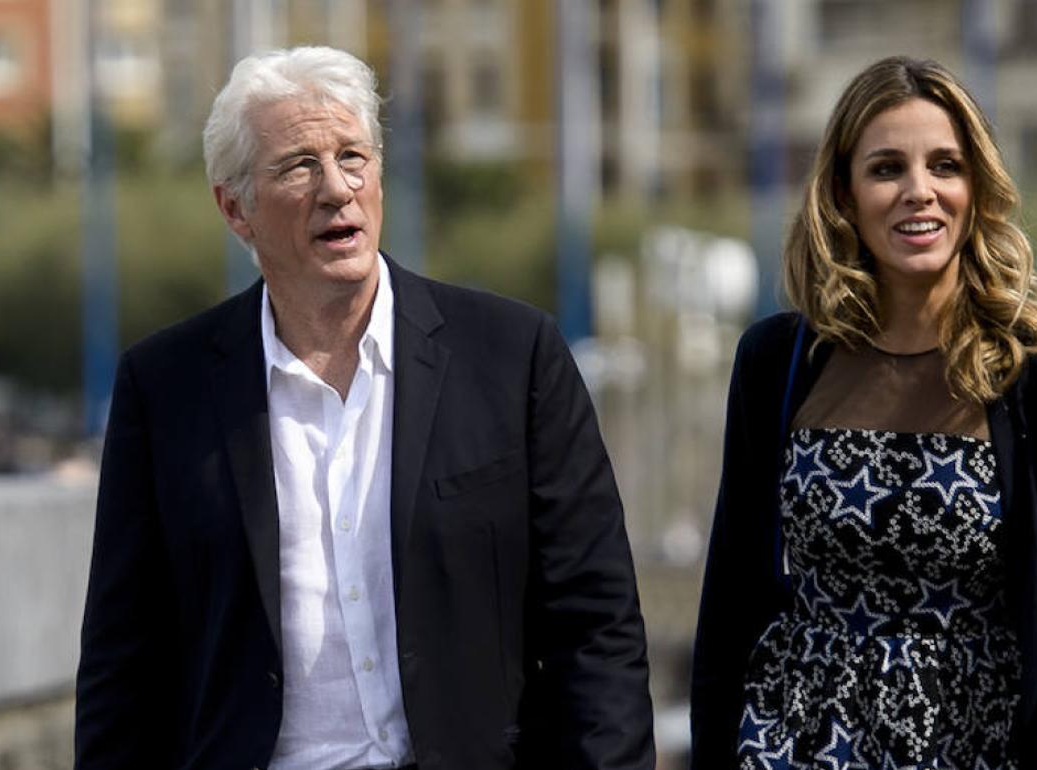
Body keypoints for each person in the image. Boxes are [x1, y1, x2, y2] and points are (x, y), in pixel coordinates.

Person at [75, 46, 654, 770]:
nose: (336, 189)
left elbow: (595, 626)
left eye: (353, 156)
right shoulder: (164, 388)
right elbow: (123, 663)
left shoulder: (513, 357)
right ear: (235, 209)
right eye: (297, 166)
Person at [691, 56, 1037, 770]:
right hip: (793, 742)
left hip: (974, 744)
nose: (920, 192)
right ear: (843, 195)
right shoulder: (776, 362)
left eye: (945, 166)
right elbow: (731, 595)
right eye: (887, 168)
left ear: (976, 189)